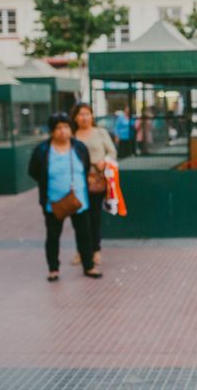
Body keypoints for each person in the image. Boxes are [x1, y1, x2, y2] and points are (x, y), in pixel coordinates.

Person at [28, 113, 103, 282]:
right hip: (54, 202)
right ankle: (53, 269)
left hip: (79, 200)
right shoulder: (43, 150)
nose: (63, 131)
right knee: (53, 235)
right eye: (59, 128)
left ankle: (88, 265)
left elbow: (85, 166)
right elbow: (34, 171)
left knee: (85, 234)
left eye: (66, 127)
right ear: (52, 131)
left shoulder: (79, 147)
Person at [70, 103, 117, 266]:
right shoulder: (72, 135)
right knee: (78, 217)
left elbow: (112, 152)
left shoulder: (100, 133)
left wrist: (105, 161)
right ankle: (81, 251)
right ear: (75, 117)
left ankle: (95, 250)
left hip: (96, 181)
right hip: (77, 182)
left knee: (94, 217)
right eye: (81, 114)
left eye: (87, 114)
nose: (84, 118)